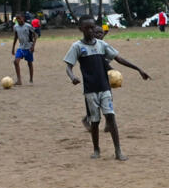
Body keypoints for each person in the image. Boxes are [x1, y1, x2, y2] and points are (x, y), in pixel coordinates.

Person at [64, 16, 151, 160]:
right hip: (90, 90)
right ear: (81, 29)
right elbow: (68, 66)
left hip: (105, 88)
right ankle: (96, 149)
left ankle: (118, 150)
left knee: (111, 118)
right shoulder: (77, 47)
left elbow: (119, 58)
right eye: (87, 28)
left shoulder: (102, 45)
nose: (91, 30)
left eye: (92, 27)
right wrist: (72, 77)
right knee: (95, 121)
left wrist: (138, 69)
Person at [11, 13, 36, 85]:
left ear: (23, 18)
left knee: (29, 63)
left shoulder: (28, 26)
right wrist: (13, 48)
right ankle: (19, 80)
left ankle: (31, 79)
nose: (18, 20)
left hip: (28, 48)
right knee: (16, 62)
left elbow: (35, 36)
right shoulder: (15, 27)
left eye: (20, 18)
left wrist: (33, 46)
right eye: (17, 19)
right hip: (21, 48)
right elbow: (15, 37)